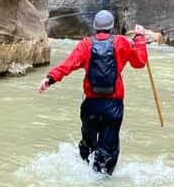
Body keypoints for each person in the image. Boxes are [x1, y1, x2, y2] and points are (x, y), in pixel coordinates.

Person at [37, 10, 148, 175]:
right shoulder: (122, 43)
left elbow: (68, 65)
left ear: (95, 27)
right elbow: (139, 62)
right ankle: (102, 179)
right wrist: (139, 39)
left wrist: (49, 79)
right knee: (108, 147)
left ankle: (86, 169)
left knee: (88, 143)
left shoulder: (86, 45)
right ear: (111, 27)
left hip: (91, 104)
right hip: (113, 105)